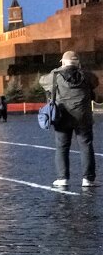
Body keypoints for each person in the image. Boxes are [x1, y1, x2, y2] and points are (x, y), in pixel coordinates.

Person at [40, 51, 99, 188]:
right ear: (78, 63)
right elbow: (95, 81)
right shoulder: (86, 75)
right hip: (83, 117)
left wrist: (57, 70)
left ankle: (62, 179)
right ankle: (88, 180)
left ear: (63, 63)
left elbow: (41, 80)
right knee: (86, 146)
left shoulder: (55, 75)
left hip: (62, 116)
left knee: (62, 147)